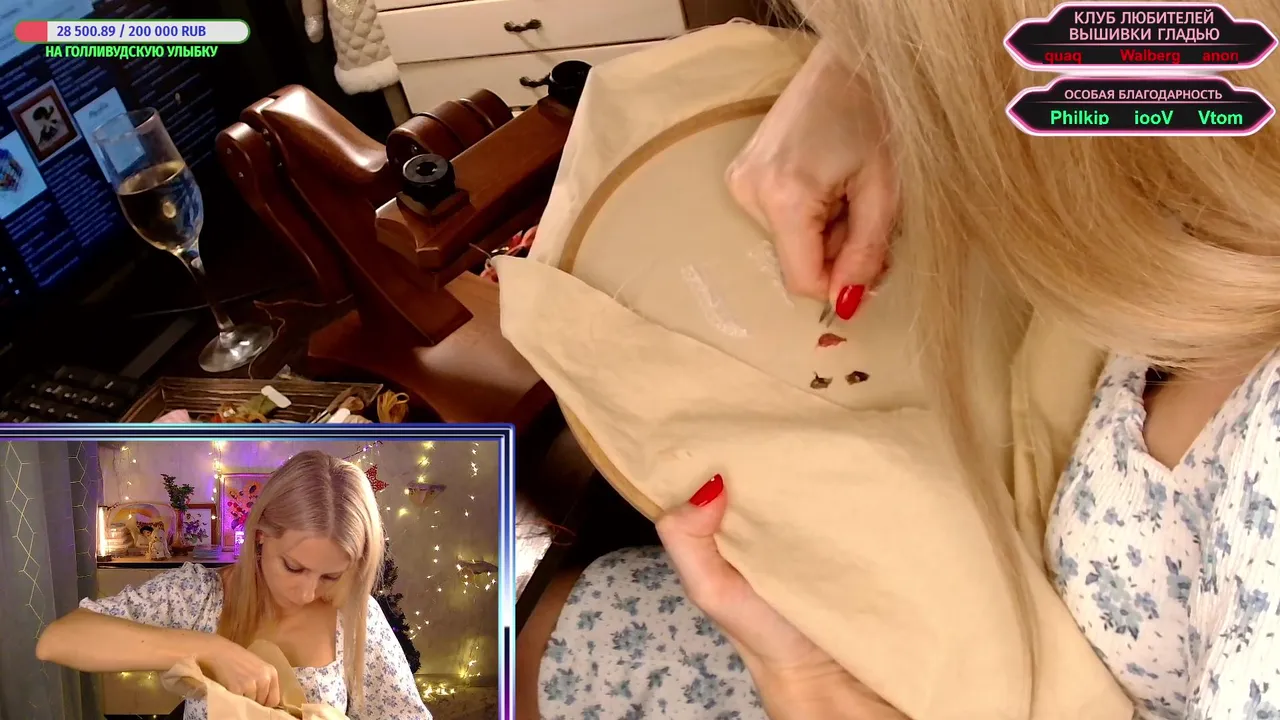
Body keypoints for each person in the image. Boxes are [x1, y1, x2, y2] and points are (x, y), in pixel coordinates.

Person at [521, 0, 1280, 718]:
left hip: (999, 662)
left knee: (504, 640)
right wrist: (876, 69)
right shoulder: (1211, 140)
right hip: (1010, 590)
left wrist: (804, 685)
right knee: (544, 621)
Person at [36, 450, 431, 720]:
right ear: (260, 537)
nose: (308, 593)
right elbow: (58, 640)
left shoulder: (356, 617)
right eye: (293, 567)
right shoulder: (199, 596)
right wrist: (210, 649)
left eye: (330, 576)